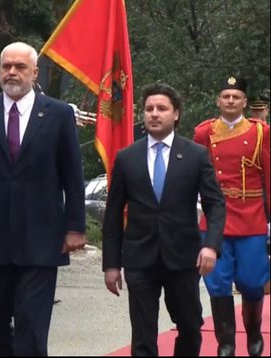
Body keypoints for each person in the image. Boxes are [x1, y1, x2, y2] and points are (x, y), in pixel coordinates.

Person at [0, 41, 86, 356]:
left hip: (41, 237)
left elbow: (72, 175)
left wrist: (75, 227)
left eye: (20, 67)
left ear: (34, 72)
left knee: (31, 321)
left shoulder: (57, 114)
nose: (12, 72)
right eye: (6, 66)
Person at [103, 83, 226, 356]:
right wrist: (111, 264)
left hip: (182, 258)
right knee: (143, 333)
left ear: (176, 114)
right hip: (139, 259)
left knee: (190, 325)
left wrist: (211, 245)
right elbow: (112, 215)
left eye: (161, 109)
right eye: (149, 109)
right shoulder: (127, 157)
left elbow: (215, 204)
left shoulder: (195, 155)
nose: (154, 114)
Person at [193, 76, 270, 357]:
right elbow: (194, 175)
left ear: (244, 102)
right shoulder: (203, 134)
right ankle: (226, 343)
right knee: (217, 283)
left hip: (251, 219)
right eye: (225, 96)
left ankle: (253, 331)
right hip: (216, 219)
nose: (230, 101)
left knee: (252, 282)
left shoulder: (262, 133)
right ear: (218, 100)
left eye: (236, 97)